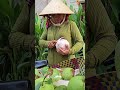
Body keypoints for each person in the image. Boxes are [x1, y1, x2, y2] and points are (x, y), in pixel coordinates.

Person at [39, 0, 84, 66]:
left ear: (64, 14)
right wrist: (48, 43)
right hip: (51, 65)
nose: (56, 17)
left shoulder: (71, 25)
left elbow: (80, 42)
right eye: (53, 15)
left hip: (68, 64)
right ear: (50, 15)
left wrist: (70, 51)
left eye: (59, 14)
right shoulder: (49, 26)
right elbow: (40, 41)